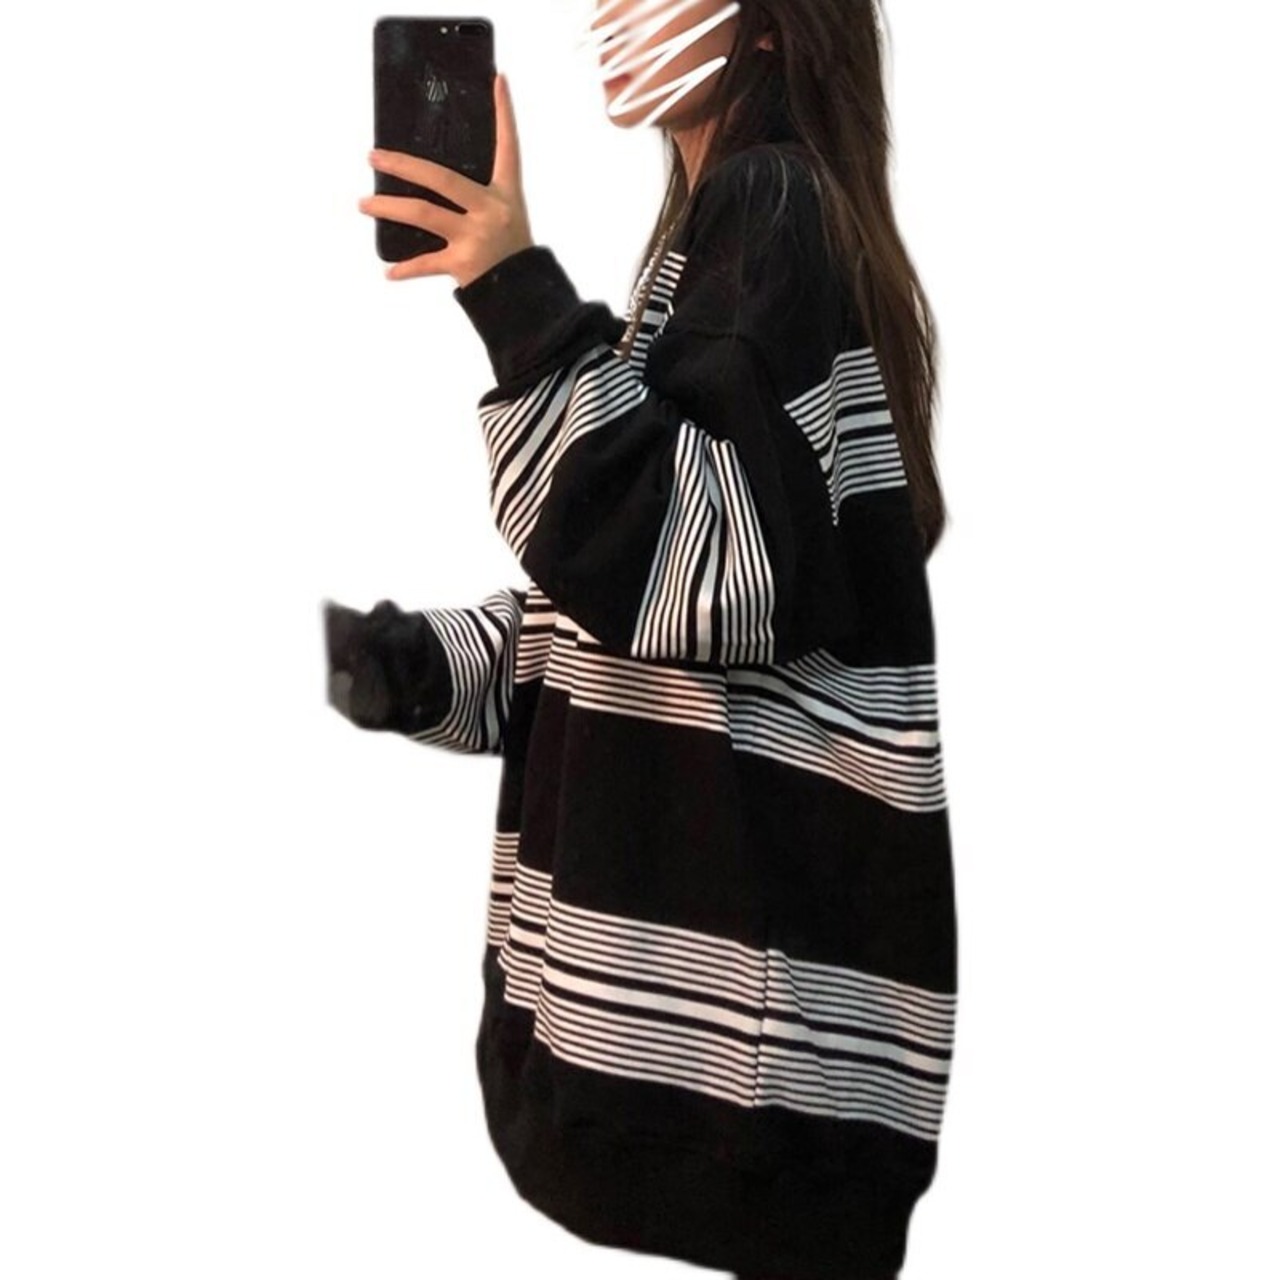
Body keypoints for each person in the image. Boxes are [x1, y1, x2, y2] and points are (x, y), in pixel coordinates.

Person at [323, 3, 954, 1277]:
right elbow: (627, 638)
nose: (611, 14)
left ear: (767, 28)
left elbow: (695, 571)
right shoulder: (732, 243)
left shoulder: (773, 207)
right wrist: (380, 662)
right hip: (721, 1117)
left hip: (728, 1117)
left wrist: (511, 288)